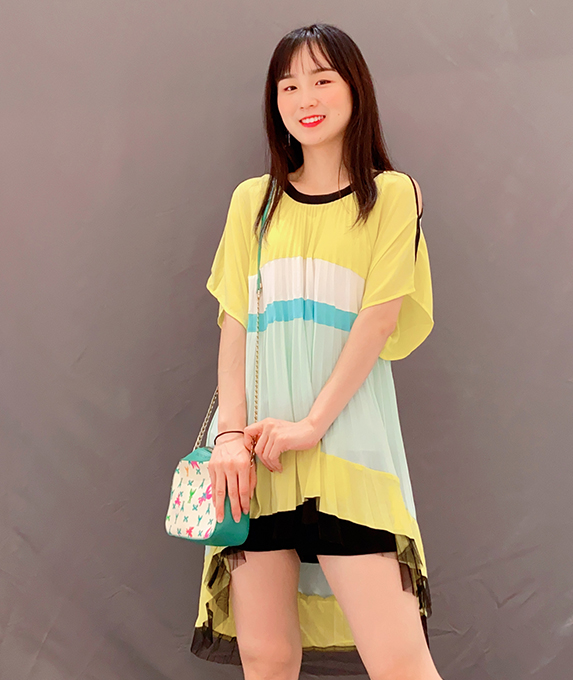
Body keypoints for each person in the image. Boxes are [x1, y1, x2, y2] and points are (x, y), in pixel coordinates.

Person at [190, 23, 440, 680]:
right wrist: (229, 437)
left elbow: (377, 323)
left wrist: (310, 425)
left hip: (346, 452)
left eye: (323, 79)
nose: (305, 97)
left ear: (356, 90)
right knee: (266, 657)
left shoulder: (392, 196)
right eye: (288, 85)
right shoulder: (253, 202)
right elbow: (235, 327)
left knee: (399, 661)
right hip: (255, 460)